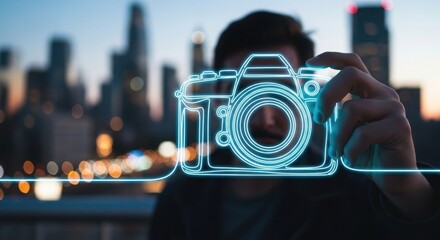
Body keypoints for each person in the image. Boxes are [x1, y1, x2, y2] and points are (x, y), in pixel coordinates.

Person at [150, 11, 440, 239]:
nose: (265, 117)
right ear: (216, 100)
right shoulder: (179, 197)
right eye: (245, 92)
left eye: (281, 92)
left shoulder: (356, 194)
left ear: (308, 98)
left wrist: (407, 191)